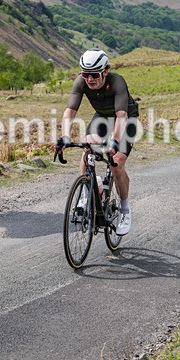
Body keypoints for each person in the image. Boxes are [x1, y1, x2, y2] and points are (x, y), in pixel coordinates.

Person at [56, 49, 139, 235]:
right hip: (102, 118)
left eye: (94, 74)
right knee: (88, 148)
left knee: (117, 164)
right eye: (85, 74)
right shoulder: (81, 82)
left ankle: (125, 210)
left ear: (105, 71)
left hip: (126, 119)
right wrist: (65, 137)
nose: (89, 79)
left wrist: (115, 142)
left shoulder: (117, 82)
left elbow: (122, 115)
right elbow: (70, 111)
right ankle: (88, 193)